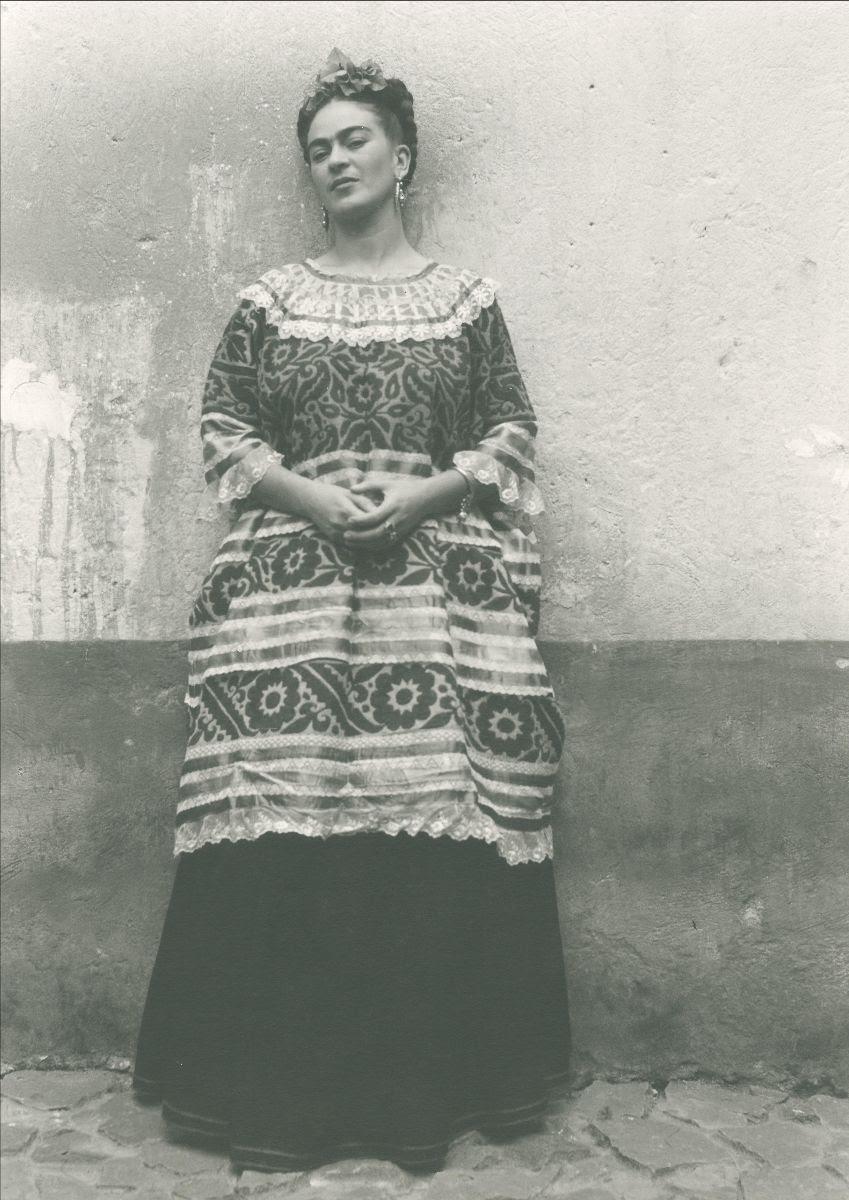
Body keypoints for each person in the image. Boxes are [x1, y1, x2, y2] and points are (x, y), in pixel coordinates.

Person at [132, 49, 571, 1175]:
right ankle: (271, 1099)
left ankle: (426, 1090)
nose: (335, 159)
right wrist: (312, 495)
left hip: (434, 591)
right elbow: (226, 428)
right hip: (292, 589)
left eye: (354, 139)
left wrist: (425, 491)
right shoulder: (271, 301)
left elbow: (510, 431)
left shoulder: (466, 303)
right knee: (291, 806)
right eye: (318, 147)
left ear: (402, 154)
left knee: (423, 805)